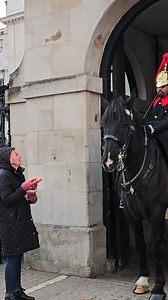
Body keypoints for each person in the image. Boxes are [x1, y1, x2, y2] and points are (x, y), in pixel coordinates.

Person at [0, 147, 41, 300]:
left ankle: (17, 291)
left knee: (18, 256)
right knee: (12, 257)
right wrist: (24, 188)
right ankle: (10, 293)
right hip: (9, 224)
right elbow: (6, 199)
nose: (19, 156)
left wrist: (29, 196)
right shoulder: (3, 175)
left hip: (18, 222)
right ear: (8, 159)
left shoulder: (17, 174)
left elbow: (18, 197)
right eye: (16, 154)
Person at [144, 53, 168, 164]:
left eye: (162, 87)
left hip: (163, 131)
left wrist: (154, 127)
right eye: (158, 87)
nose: (159, 90)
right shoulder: (156, 101)